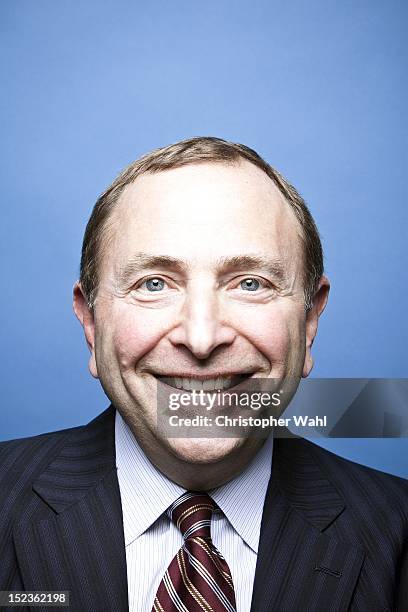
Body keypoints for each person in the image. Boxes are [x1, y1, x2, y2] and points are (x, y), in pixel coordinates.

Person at [0, 137, 407, 612]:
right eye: (154, 283)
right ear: (90, 322)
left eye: (250, 283)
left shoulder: (396, 531)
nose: (201, 338)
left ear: (309, 320)